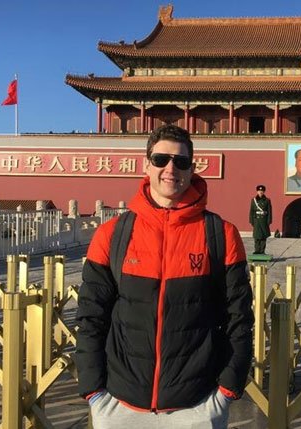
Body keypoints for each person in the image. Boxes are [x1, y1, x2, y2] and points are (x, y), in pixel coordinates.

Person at [75, 125, 254, 429]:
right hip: (119, 405)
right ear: (146, 165)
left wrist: (226, 391)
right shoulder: (112, 234)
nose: (171, 169)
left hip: (197, 406)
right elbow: (91, 316)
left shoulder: (222, 235)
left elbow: (239, 318)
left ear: (192, 169)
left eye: (181, 161)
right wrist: (94, 391)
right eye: (160, 159)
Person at [249, 184, 272, 254]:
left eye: (262, 191)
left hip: (264, 220)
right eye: (259, 191)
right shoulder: (253, 200)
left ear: (264, 192)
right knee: (256, 236)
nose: (260, 192)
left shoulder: (267, 200)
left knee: (263, 236)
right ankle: (257, 250)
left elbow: (269, 211)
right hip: (256, 220)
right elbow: (251, 211)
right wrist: (251, 220)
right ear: (257, 191)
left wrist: (269, 220)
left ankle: (262, 251)